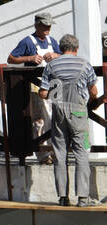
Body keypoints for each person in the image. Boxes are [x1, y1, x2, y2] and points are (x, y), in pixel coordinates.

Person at [38, 34, 99, 207]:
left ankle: (63, 197)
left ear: (61, 49)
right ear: (76, 48)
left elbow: (42, 93)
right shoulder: (85, 64)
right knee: (81, 152)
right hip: (79, 112)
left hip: (58, 111)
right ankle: (83, 197)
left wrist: (55, 93)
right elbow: (93, 91)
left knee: (60, 154)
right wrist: (93, 99)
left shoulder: (51, 65)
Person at [8, 12, 60, 163]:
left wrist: (55, 56)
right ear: (37, 25)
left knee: (54, 118)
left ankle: (55, 151)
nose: (47, 28)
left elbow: (63, 56)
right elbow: (11, 58)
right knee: (40, 121)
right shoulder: (27, 41)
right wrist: (30, 58)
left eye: (49, 25)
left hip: (52, 86)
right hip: (35, 86)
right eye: (44, 25)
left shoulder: (52, 41)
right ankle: (43, 154)